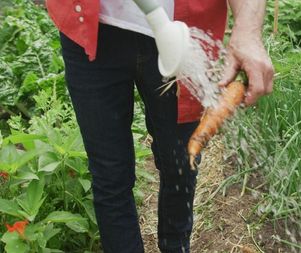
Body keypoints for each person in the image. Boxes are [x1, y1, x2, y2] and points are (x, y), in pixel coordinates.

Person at [45, 0, 274, 253]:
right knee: (110, 176)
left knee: (180, 163)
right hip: (90, 27)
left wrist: (248, 30)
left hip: (185, 33)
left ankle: (176, 246)